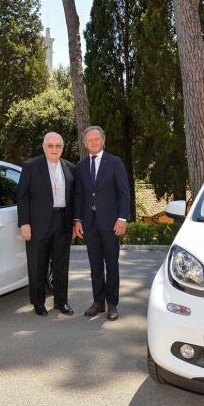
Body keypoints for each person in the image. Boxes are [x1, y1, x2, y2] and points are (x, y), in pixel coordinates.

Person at [74, 126, 130, 321]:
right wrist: (77, 220)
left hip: (111, 224)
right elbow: (79, 195)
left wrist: (122, 218)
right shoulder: (81, 166)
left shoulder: (115, 162)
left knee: (111, 265)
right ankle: (98, 302)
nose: (93, 142)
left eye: (96, 139)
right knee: (95, 265)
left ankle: (112, 304)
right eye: (89, 140)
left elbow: (124, 192)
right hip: (89, 224)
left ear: (103, 140)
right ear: (85, 143)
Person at [17, 132, 76, 316]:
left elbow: (74, 198)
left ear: (62, 148)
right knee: (37, 265)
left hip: (62, 222)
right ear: (44, 147)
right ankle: (38, 303)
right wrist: (24, 222)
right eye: (50, 146)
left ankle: (61, 302)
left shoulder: (70, 168)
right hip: (37, 224)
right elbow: (22, 196)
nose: (54, 149)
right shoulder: (30, 166)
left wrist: (75, 222)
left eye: (58, 146)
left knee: (61, 265)